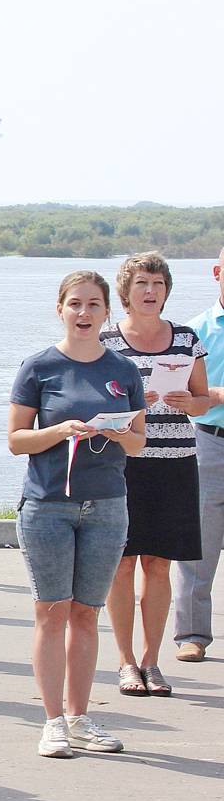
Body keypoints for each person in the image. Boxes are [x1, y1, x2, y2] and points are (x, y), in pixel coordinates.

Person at [9, 270, 145, 757]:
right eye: (75, 304)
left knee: (86, 614)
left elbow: (139, 441)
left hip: (107, 504)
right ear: (60, 309)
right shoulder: (38, 367)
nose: (83, 313)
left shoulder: (124, 371)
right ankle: (51, 723)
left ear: (107, 311)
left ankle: (80, 716)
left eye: (93, 304)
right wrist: (59, 430)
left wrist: (112, 431)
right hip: (48, 505)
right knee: (51, 612)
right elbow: (16, 440)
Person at [100, 253, 212, 696]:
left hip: (176, 462)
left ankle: (152, 660)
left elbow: (204, 400)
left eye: (159, 284)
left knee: (160, 564)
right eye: (143, 283)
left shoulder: (185, 337)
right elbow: (92, 405)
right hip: (123, 463)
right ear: (126, 291)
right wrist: (132, 404)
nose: (151, 291)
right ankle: (126, 661)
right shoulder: (107, 339)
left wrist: (190, 402)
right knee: (122, 564)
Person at [175, 245, 224, 662]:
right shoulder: (195, 332)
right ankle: (192, 634)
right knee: (199, 544)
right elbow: (181, 394)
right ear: (216, 272)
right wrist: (215, 395)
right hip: (209, 439)